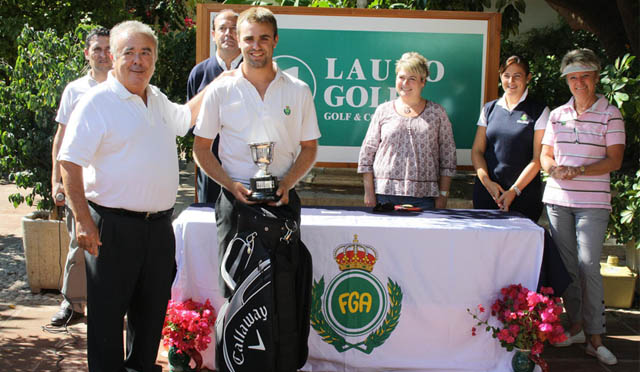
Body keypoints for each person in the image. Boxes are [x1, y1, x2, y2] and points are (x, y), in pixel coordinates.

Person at [58, 20, 207, 371]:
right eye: (130, 53)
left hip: (157, 229)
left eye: (146, 53)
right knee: (108, 320)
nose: (138, 61)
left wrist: (223, 81)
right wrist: (82, 220)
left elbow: (186, 118)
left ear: (155, 58)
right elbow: (69, 162)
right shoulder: (97, 102)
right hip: (111, 228)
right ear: (112, 57)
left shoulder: (156, 99)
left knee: (150, 314)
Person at [193, 6, 320, 290]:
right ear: (238, 41)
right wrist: (230, 184)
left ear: (276, 40)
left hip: (282, 203)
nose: (256, 46)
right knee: (235, 291)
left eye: (264, 38)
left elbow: (310, 148)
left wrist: (287, 183)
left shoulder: (298, 90)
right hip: (234, 205)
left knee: (283, 292)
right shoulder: (220, 90)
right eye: (249, 38)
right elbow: (200, 149)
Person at [541, 48, 625, 366]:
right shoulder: (558, 114)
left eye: (584, 76)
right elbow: (545, 156)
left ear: (596, 77)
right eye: (573, 77)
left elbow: (614, 159)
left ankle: (596, 337)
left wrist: (579, 170)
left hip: (593, 203)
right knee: (567, 269)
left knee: (589, 266)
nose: (579, 82)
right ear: (567, 80)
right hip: (558, 201)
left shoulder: (610, 113)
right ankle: (576, 327)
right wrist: (552, 169)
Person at [49, 26, 111, 327]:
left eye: (107, 49)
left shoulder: (125, 87)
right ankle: (72, 304)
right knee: (78, 243)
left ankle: (110, 305)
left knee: (113, 246)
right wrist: (56, 181)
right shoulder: (74, 90)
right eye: (96, 49)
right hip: (79, 183)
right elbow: (60, 140)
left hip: (113, 184)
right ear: (87, 53)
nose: (102, 54)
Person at [357, 52, 456, 210]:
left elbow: (448, 156)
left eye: (412, 79)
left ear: (423, 82)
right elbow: (367, 153)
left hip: (425, 197)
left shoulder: (437, 113)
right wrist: (369, 192)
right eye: (401, 77)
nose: (405, 83)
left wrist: (443, 195)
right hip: (385, 195)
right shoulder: (383, 111)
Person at [471, 55, 550, 222]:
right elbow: (477, 151)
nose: (511, 81)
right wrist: (487, 183)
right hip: (488, 195)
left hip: (524, 198)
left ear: (528, 78)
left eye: (517, 76)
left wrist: (514, 191)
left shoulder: (539, 110)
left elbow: (537, 159)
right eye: (506, 75)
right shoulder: (489, 109)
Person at [187, 9, 242, 204]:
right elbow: (190, 123)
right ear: (213, 35)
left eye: (234, 29)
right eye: (222, 28)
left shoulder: (255, 72)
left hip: (246, 172)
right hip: (210, 171)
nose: (228, 33)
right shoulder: (199, 73)